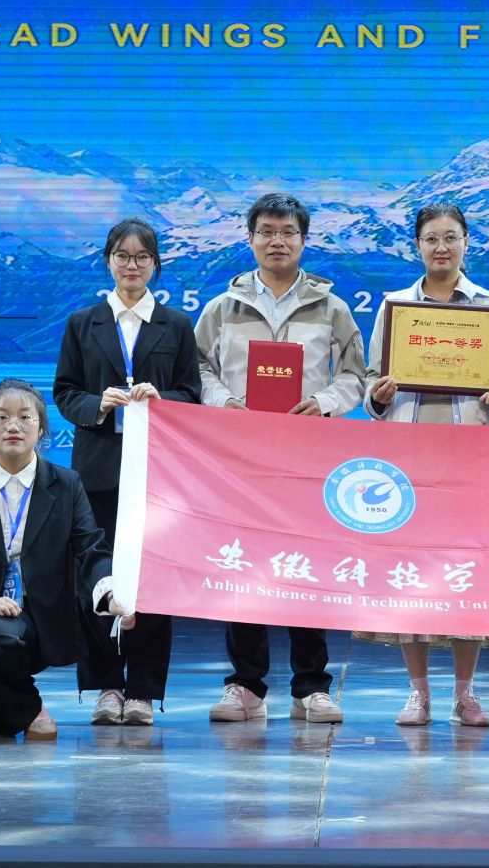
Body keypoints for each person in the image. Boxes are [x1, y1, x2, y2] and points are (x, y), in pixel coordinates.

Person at [195, 191, 369, 723]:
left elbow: (356, 374)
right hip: (240, 458)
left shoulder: (332, 308)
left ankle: (310, 686)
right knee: (241, 565)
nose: (277, 241)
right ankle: (246, 684)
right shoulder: (222, 308)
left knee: (305, 568)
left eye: (288, 232)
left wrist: (325, 402)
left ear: (303, 240)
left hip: (307, 458)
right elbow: (197, 369)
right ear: (250, 239)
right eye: (266, 231)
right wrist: (225, 402)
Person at [359, 202, 489, 727]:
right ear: (417, 246)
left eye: (451, 237)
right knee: (412, 575)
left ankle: (465, 694)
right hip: (408, 461)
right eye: (431, 238)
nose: (441, 247)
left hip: (471, 460)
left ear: (467, 242)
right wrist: (379, 395)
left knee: (464, 573)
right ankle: (418, 692)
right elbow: (371, 381)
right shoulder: (395, 307)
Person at [0, 378, 134, 740]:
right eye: (2, 417)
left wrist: (110, 594)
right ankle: (6, 702)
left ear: (41, 427)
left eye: (24, 417)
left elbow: (91, 548)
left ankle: (29, 708)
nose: (13, 426)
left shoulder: (67, 484)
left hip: (34, 619)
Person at [53, 218, 201, 727]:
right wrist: (97, 404)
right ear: (108, 261)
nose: (131, 265)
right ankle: (106, 686)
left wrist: (163, 399)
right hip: (97, 470)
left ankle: (142, 691)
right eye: (122, 255)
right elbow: (64, 392)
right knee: (95, 574)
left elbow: (192, 393)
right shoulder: (83, 323)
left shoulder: (176, 325)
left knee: (153, 577)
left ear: (155, 264)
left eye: (141, 257)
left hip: (158, 471)